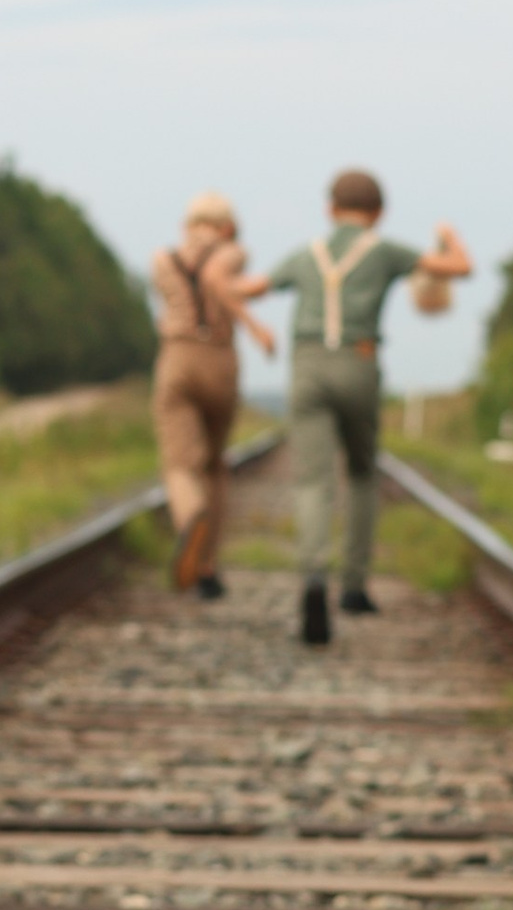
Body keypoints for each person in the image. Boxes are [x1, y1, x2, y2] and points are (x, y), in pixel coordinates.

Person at [253, 172, 472, 644]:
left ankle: (313, 574)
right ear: (379, 213)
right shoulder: (385, 251)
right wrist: (450, 236)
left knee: (313, 481)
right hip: (359, 363)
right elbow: (460, 267)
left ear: (331, 209)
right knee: (360, 472)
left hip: (307, 367)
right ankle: (353, 585)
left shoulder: (305, 254)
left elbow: (254, 287)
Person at [150, 191, 275, 596]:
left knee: (180, 464)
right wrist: (254, 324)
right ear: (227, 226)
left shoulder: (161, 259)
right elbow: (215, 277)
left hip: (177, 358)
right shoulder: (233, 253)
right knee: (214, 466)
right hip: (220, 360)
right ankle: (207, 566)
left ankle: (190, 516)